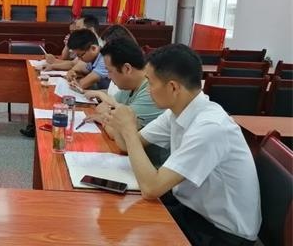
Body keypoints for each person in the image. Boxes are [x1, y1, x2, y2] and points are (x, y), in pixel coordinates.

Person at [104, 44, 260, 245]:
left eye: (150, 83)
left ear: (173, 87)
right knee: (118, 221)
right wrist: (120, 124)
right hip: (190, 209)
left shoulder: (210, 127)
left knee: (124, 232)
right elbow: (127, 146)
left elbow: (151, 188)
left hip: (222, 233)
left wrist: (128, 129)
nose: (148, 90)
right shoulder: (176, 111)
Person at [83, 38, 166, 165]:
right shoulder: (129, 85)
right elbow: (104, 107)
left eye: (110, 71)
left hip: (153, 166)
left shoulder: (151, 92)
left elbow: (119, 134)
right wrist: (110, 117)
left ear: (127, 69)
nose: (108, 76)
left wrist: (104, 120)